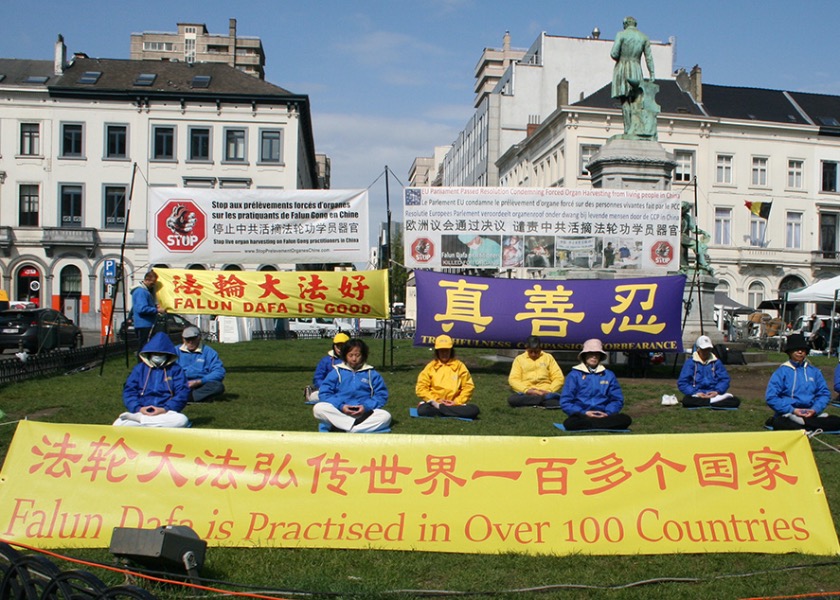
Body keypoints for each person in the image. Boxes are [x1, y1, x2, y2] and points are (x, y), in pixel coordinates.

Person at [313, 338, 392, 432]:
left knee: (385, 416)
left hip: (363, 413)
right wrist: (341, 406)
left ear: (363, 356)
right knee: (319, 408)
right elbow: (324, 393)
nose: (354, 359)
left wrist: (365, 407)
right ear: (345, 356)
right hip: (340, 411)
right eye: (350, 355)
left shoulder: (371, 373)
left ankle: (350, 429)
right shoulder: (337, 372)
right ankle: (354, 427)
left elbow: (381, 395)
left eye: (357, 355)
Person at [765, 333, 840, 431]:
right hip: (788, 414)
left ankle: (806, 424)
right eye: (796, 349)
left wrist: (815, 409)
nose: (800, 352)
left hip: (811, 413)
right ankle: (805, 425)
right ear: (789, 352)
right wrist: (793, 410)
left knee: (836, 421)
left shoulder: (814, 371)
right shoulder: (782, 372)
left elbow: (824, 394)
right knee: (782, 423)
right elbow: (771, 397)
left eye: (803, 350)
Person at [114, 332, 190, 427]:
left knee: (181, 420)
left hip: (166, 412)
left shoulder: (176, 369)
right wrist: (138, 408)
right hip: (141, 410)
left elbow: (182, 393)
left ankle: (143, 422)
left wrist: (165, 409)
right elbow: (129, 391)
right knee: (118, 424)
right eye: (155, 353)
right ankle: (152, 424)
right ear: (149, 353)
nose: (157, 356)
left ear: (168, 354)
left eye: (161, 354)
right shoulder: (139, 369)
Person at [560, 339, 632, 430]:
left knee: (626, 419)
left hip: (604, 415)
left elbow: (617, 399)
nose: (594, 357)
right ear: (584, 355)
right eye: (590, 353)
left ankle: (593, 424)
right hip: (582, 415)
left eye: (597, 354)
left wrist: (608, 413)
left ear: (600, 356)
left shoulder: (609, 375)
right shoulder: (574, 375)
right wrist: (584, 413)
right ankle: (598, 424)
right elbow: (565, 402)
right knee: (569, 423)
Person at [610, 16, 655, 136]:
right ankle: (635, 128)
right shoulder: (644, 37)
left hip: (623, 68)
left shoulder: (621, 34)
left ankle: (628, 128)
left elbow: (614, 53)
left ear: (625, 24)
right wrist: (652, 74)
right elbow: (649, 57)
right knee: (636, 100)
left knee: (625, 100)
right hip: (636, 68)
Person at [416, 335, 479, 419]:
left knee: (474, 410)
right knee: (423, 410)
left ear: (451, 351)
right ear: (437, 352)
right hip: (435, 403)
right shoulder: (430, 367)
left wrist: (456, 402)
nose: (444, 353)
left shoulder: (459, 366)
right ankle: (449, 411)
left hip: (454, 404)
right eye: (441, 351)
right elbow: (421, 388)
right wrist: (436, 400)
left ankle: (443, 409)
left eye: (446, 350)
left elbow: (468, 386)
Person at [677, 335, 740, 408]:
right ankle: (711, 403)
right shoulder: (690, 363)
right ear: (698, 349)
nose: (705, 352)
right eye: (703, 349)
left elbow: (724, 379)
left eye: (708, 349)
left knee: (735, 401)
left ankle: (708, 402)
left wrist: (717, 391)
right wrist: (695, 393)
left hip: (714, 394)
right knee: (687, 401)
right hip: (697, 395)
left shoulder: (716, 362)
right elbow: (682, 382)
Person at [507, 336, 564, 408]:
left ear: (540, 349)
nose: (533, 354)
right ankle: (543, 401)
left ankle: (535, 401)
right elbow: (513, 379)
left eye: (536, 352)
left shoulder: (548, 357)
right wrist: (527, 390)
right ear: (526, 349)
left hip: (546, 391)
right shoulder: (519, 359)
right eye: (531, 352)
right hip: (528, 392)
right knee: (512, 399)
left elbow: (558, 377)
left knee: (562, 400)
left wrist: (550, 390)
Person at [176, 326, 226, 403]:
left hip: (201, 383)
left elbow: (219, 372)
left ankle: (186, 397)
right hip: (179, 383)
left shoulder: (209, 352)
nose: (190, 342)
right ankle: (196, 397)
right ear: (183, 339)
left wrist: (200, 381)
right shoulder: (175, 351)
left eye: (193, 339)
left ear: (199, 338)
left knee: (218, 386)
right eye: (187, 339)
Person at [307, 332, 349, 402]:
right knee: (314, 397)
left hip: (347, 390)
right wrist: (326, 387)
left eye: (343, 346)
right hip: (328, 389)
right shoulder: (326, 361)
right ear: (334, 346)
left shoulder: (353, 360)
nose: (340, 349)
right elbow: (318, 378)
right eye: (338, 346)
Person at [130, 270, 164, 346]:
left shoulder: (142, 291)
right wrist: (157, 310)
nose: (153, 285)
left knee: (145, 345)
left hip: (143, 324)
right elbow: (142, 309)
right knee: (145, 347)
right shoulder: (141, 292)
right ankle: (142, 358)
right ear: (147, 280)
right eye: (152, 283)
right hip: (144, 324)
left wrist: (154, 306)